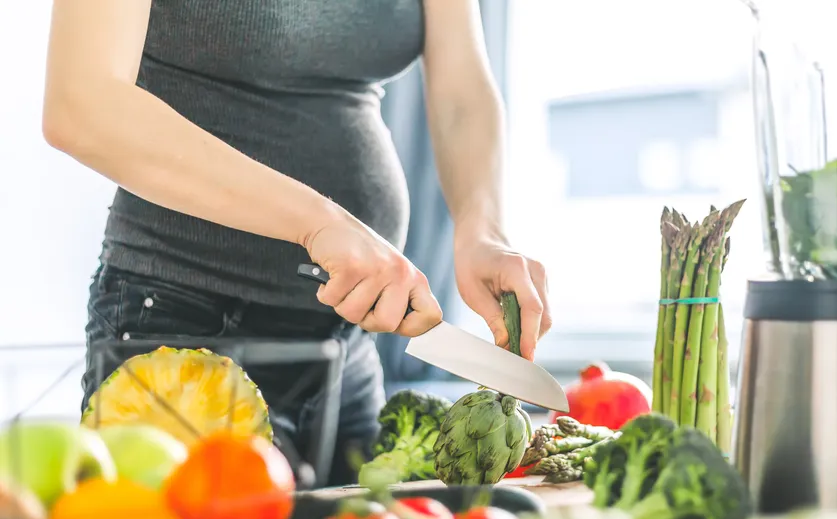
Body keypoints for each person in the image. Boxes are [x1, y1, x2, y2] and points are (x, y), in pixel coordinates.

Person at [43, 0, 552, 487]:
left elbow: (461, 91)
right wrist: (317, 222)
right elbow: (82, 104)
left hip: (347, 348)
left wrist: (482, 231)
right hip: (185, 333)